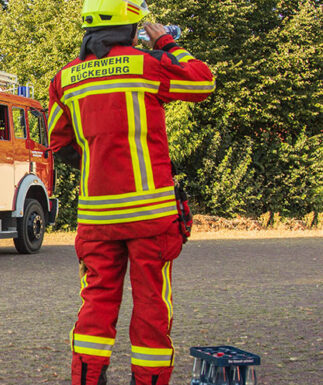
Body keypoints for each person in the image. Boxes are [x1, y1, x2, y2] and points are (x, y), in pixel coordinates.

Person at [46, 1, 215, 384]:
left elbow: (58, 140)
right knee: (153, 307)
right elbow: (203, 81)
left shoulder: (66, 80)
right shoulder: (146, 65)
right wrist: (168, 41)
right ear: (131, 27)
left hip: (97, 220)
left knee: (96, 304)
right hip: (151, 219)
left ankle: (88, 379)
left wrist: (96, 162)